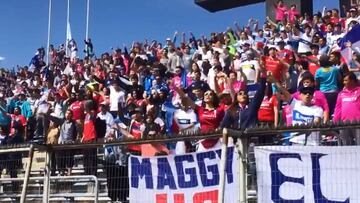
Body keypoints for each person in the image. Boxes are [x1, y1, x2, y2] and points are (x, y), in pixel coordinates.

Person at [334, 72, 360, 145]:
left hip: (358, 123)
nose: (344, 82)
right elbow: (338, 108)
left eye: (346, 80)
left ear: (352, 81)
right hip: (344, 123)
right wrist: (335, 120)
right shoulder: (341, 93)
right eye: (343, 80)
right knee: (346, 147)